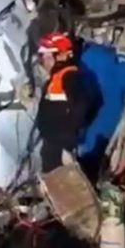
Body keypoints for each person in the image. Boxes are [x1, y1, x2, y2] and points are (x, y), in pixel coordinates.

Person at [37, 32, 88, 174]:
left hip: (59, 143)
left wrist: (67, 135)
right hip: (52, 140)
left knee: (59, 179)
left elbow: (81, 105)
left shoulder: (69, 77)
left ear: (60, 56)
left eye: (47, 57)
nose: (44, 62)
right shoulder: (55, 79)